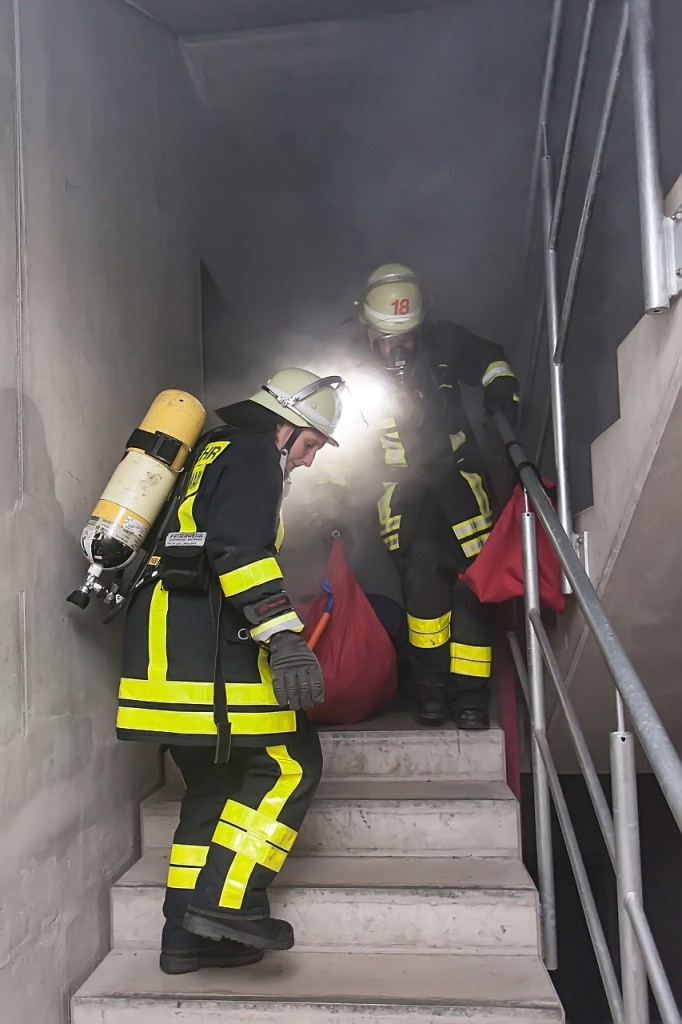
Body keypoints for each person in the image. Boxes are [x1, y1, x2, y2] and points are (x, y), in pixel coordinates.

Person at [115, 367, 345, 974]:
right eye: (311, 444)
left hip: (160, 655)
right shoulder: (252, 454)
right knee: (291, 763)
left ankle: (184, 939)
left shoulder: (207, 450)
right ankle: (228, 904)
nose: (310, 460)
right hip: (202, 654)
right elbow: (239, 550)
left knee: (211, 789)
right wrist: (285, 637)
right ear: (284, 427)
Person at [354, 262, 520, 731]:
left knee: (472, 595)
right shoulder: (351, 368)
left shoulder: (444, 342)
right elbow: (338, 445)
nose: (400, 348)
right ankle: (431, 696)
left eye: (407, 338)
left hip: (462, 491)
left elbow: (491, 359)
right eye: (390, 339)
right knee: (425, 603)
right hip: (406, 502)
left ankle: (470, 702)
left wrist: (501, 391)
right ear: (369, 330)